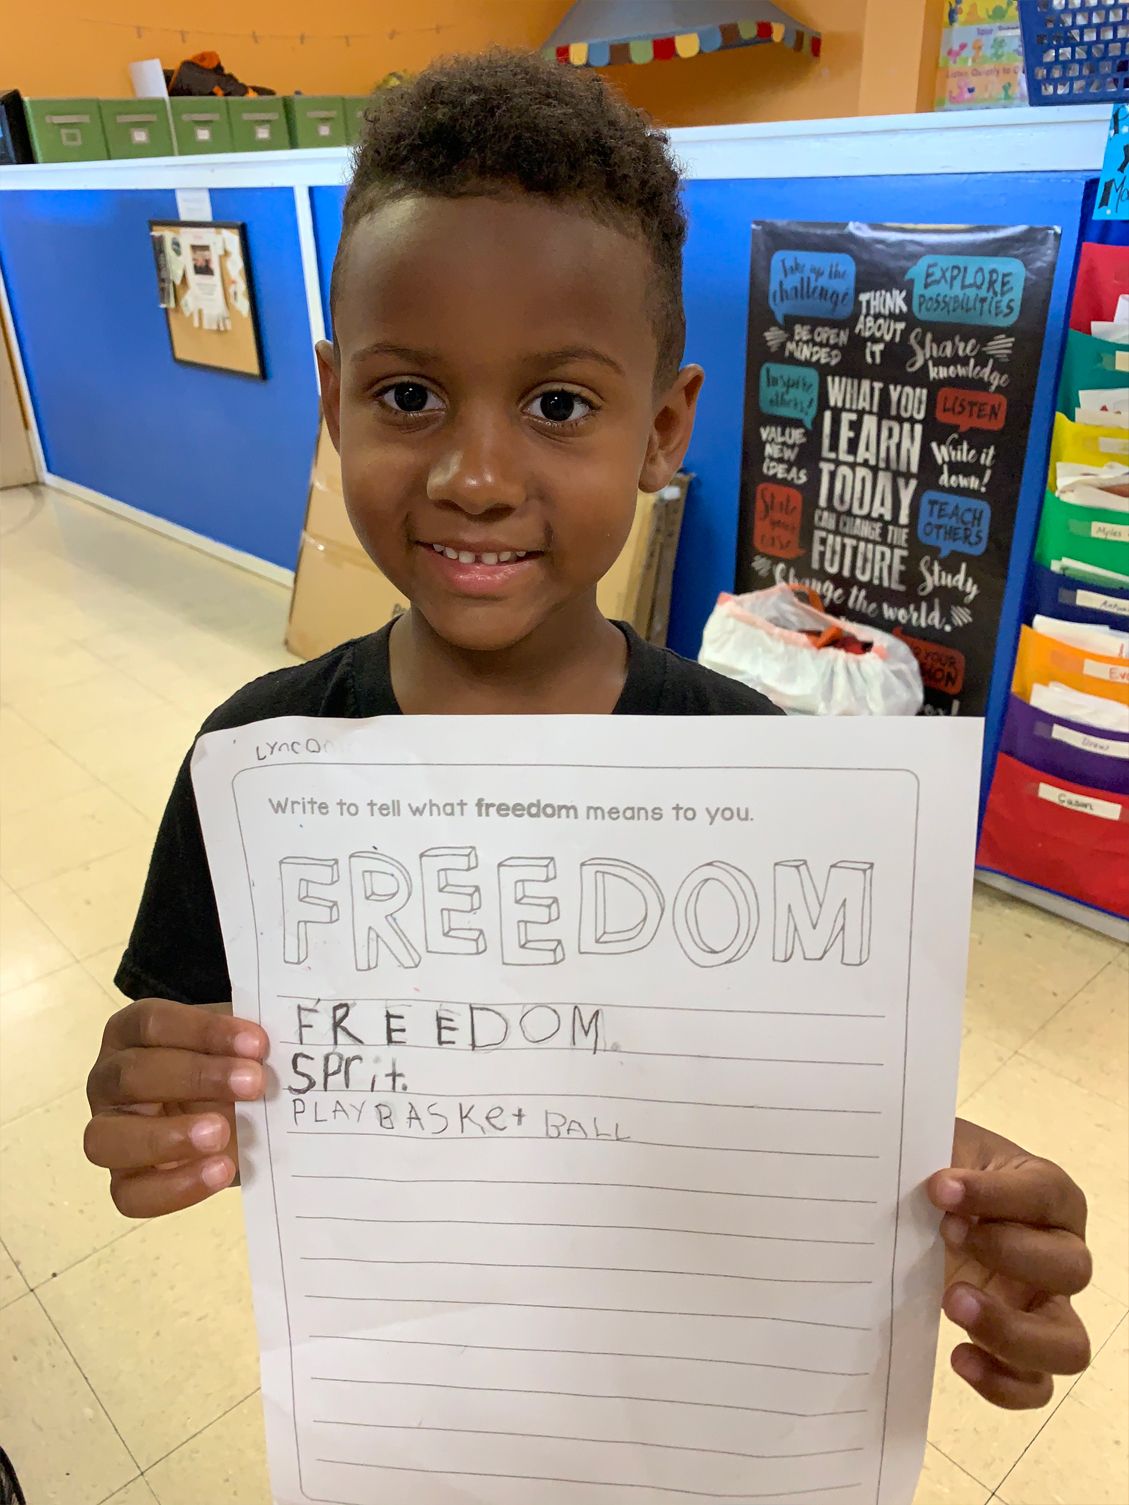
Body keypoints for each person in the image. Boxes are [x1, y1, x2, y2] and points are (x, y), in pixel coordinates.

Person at [84, 50, 1092, 1414]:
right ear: (332, 399)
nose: (476, 476)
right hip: (417, 1411)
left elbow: (830, 1113)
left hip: (680, 1410)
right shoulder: (255, 770)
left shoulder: (778, 786)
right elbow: (187, 1062)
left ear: (660, 428)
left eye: (558, 404)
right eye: (407, 395)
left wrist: (945, 1200)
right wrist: (158, 1096)